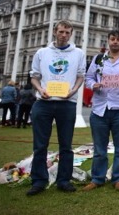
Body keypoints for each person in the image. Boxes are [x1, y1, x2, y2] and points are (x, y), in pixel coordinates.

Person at [27, 20, 86, 196]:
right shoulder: (42, 52)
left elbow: (80, 76)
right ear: (54, 32)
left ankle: (64, 180)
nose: (64, 35)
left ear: (71, 34)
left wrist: (73, 91)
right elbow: (34, 77)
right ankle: (39, 180)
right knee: (40, 145)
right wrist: (40, 89)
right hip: (43, 102)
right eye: (61, 32)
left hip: (67, 103)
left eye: (68, 33)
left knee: (66, 145)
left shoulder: (78, 53)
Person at [83, 28, 119, 192]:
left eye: (118, 39)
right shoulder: (99, 59)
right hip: (100, 108)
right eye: (112, 39)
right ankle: (97, 178)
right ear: (108, 41)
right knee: (99, 148)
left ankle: (118, 178)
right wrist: (92, 85)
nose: (115, 41)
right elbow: (88, 78)